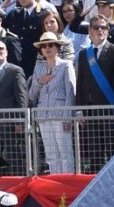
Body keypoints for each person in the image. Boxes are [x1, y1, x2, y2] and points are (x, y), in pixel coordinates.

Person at [29, 33, 78, 174]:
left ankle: (67, 183)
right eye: (43, 46)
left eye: (50, 45)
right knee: (51, 155)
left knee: (65, 153)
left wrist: (67, 117)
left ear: (57, 47)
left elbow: (70, 92)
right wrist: (40, 82)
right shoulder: (38, 68)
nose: (47, 48)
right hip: (43, 116)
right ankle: (55, 182)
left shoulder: (66, 65)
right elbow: (31, 95)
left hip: (61, 115)